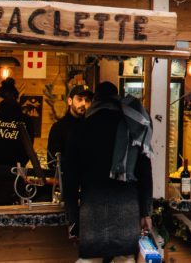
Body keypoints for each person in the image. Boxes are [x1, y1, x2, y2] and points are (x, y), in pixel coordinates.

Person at [61, 81, 153, 263]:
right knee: (125, 259)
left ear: (95, 100)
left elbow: (69, 178)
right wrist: (146, 212)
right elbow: (144, 173)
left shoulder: (81, 128)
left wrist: (72, 218)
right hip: (127, 208)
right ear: (117, 98)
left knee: (90, 260)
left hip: (92, 208)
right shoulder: (133, 128)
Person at [47, 85, 93, 175]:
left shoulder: (92, 126)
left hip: (89, 183)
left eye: (87, 100)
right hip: (67, 182)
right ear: (69, 101)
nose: (84, 103)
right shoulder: (59, 127)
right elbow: (53, 161)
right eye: (79, 99)